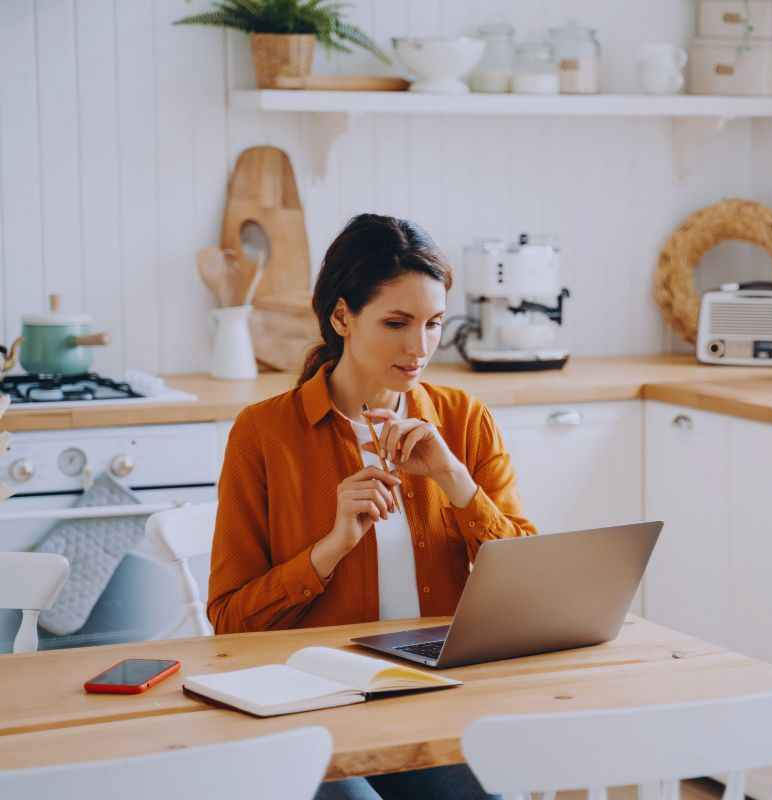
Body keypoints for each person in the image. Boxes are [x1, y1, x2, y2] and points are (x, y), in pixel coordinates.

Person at [207, 214, 536, 799]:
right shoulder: (262, 434)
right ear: (341, 317)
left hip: (440, 701)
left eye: (434, 324)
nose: (420, 348)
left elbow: (532, 592)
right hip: (312, 708)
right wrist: (330, 548)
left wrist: (455, 482)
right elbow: (231, 622)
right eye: (396, 323)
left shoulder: (464, 421)